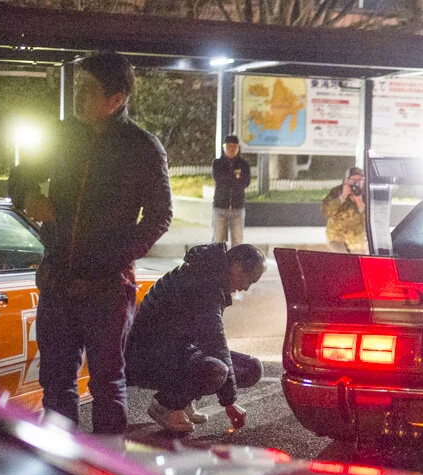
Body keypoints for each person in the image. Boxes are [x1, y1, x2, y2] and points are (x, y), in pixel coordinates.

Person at [28, 51, 172, 436]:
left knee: (107, 384)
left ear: (116, 99)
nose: (78, 96)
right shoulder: (60, 136)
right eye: (78, 86)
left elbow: (160, 217)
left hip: (107, 290)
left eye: (89, 89)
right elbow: (22, 174)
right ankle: (61, 464)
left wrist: (114, 257)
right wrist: (28, 196)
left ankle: (107, 468)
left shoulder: (141, 147)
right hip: (57, 283)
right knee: (56, 382)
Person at [126, 243, 265, 434]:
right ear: (237, 267)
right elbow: (215, 344)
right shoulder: (204, 284)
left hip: (175, 350)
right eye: (250, 280)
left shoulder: (210, 275)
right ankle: (166, 405)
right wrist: (229, 402)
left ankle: (182, 401)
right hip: (146, 357)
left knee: (251, 368)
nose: (246, 288)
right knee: (215, 370)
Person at [212, 134, 251, 247]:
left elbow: (246, 182)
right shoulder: (217, 163)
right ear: (224, 147)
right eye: (229, 146)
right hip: (220, 208)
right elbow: (220, 180)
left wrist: (232, 179)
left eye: (234, 146)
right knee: (218, 242)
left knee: (237, 243)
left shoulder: (244, 165)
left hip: (237, 208)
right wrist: (235, 178)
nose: (231, 149)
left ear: (238, 148)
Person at [322, 166, 367, 253]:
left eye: (359, 180)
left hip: (358, 239)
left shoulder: (366, 193)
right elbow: (327, 211)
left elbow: (371, 219)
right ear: (346, 180)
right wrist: (342, 197)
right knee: (342, 257)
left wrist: (360, 203)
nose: (356, 183)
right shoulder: (336, 192)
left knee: (359, 257)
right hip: (337, 237)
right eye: (353, 180)